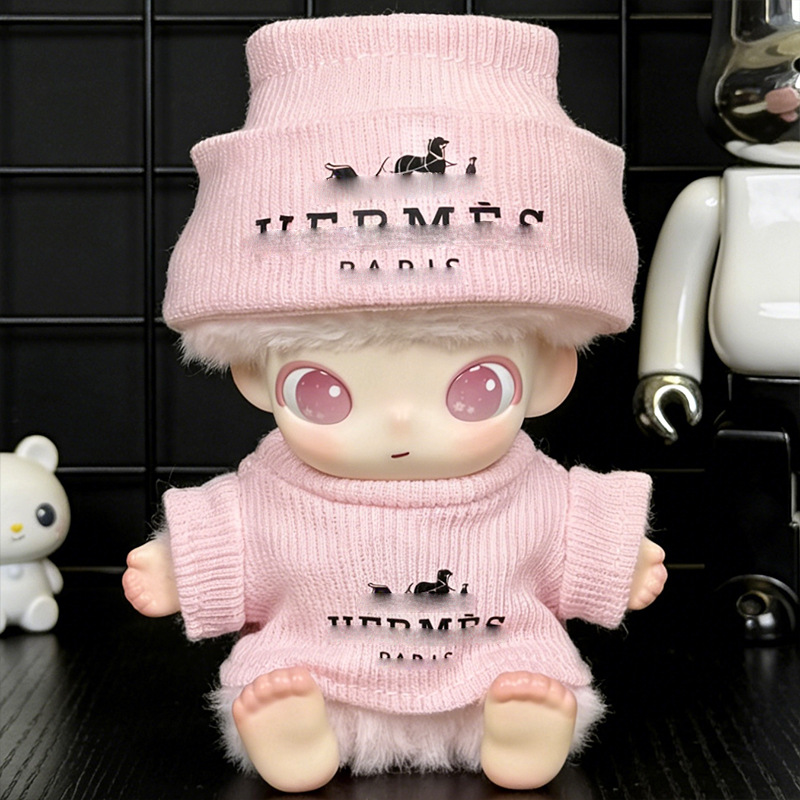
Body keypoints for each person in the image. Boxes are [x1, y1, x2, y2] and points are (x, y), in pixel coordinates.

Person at [123, 14, 667, 792]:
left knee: (531, 675)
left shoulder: (528, 491)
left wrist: (618, 557)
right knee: (277, 679)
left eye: (476, 388)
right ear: (254, 376)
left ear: (548, 376)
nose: (402, 423)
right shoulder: (274, 495)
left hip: (496, 670)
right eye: (324, 392)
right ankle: (299, 729)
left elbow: (573, 529)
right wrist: (180, 562)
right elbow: (230, 535)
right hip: (318, 671)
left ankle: (519, 725)